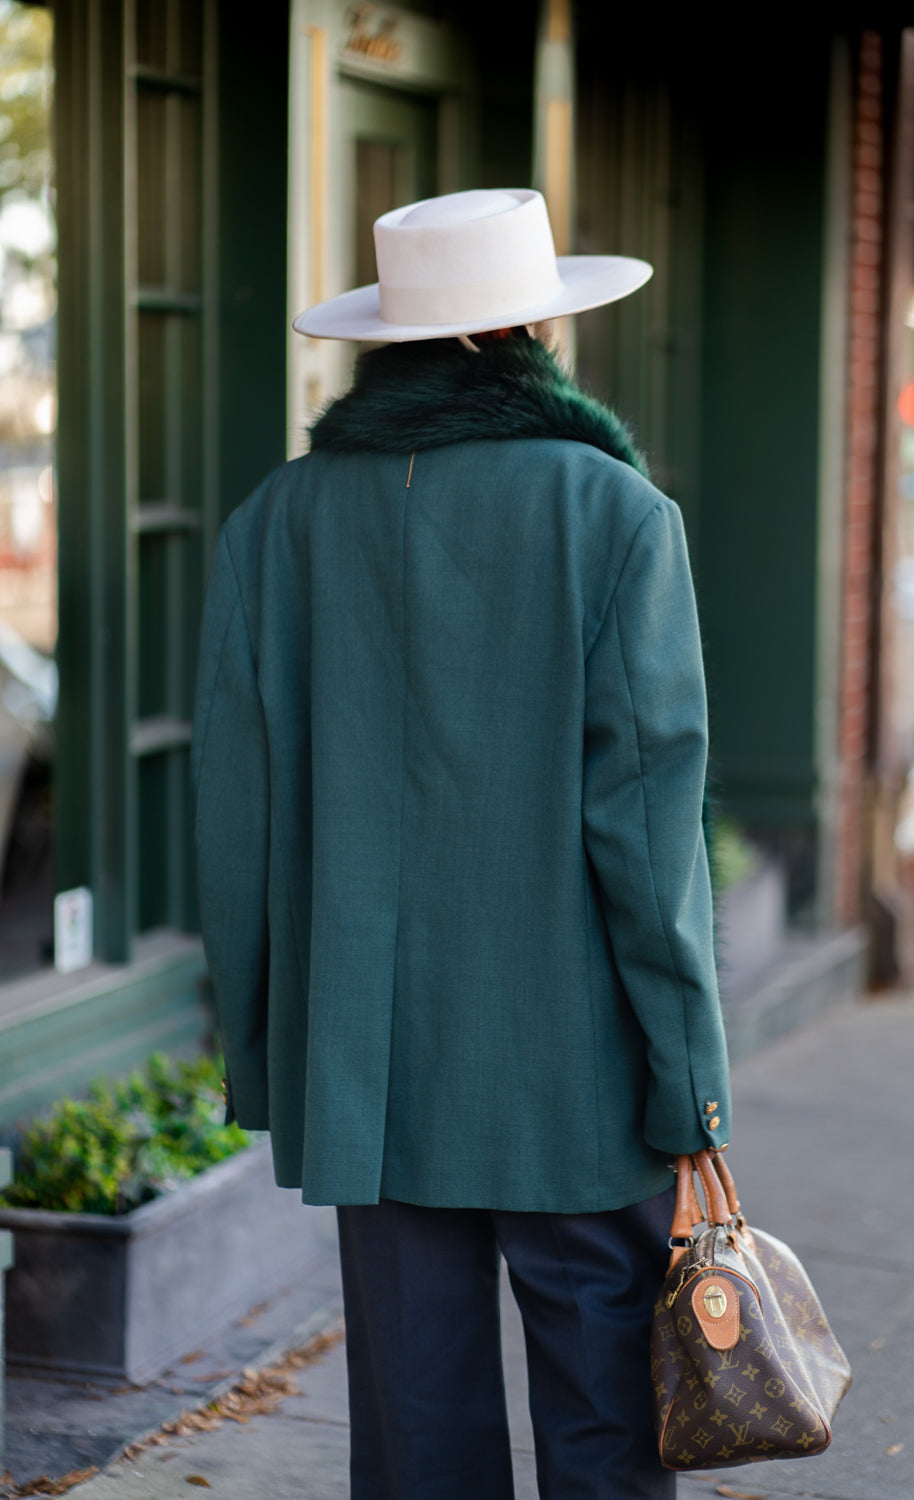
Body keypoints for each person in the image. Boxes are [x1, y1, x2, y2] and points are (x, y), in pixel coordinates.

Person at [192, 188, 731, 1500]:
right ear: (529, 328)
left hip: (368, 1073)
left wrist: (270, 1058)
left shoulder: (276, 522)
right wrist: (690, 1090)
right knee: (606, 1424)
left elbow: (235, 822)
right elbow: (649, 839)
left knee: (415, 1431)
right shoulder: (613, 515)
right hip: (572, 1067)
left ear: (392, 341)